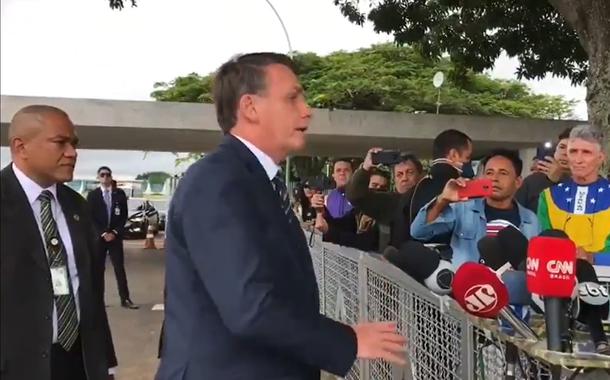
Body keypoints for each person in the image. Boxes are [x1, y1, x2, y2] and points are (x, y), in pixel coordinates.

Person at [156, 53, 406, 380]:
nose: (307, 109)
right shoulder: (218, 182)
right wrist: (347, 340)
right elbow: (250, 307)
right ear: (250, 107)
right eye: (292, 98)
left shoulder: (256, 180)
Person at [0, 105, 117, 380]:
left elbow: (91, 293)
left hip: (78, 362)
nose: (72, 152)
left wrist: (106, 363)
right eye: (60, 142)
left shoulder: (78, 207)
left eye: (74, 144)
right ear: (21, 146)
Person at [411, 149, 540, 269]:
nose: (494, 178)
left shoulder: (531, 221)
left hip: (512, 291)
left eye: (503, 173)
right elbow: (418, 231)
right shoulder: (463, 210)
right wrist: (443, 199)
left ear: (518, 182)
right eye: (489, 172)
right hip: (466, 289)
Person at [346, 130, 473, 249]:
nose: (404, 179)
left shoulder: (457, 189)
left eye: (409, 172)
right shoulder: (393, 202)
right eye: (399, 174)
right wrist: (366, 168)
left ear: (420, 175)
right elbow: (356, 197)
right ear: (394, 180)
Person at [538, 125, 610, 266]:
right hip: (558, 278)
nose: (578, 159)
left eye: (586, 152)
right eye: (573, 151)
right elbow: (542, 246)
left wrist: (593, 258)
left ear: (601, 157)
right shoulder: (548, 197)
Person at [87, 166, 138, 309]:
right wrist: (103, 233)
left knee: (119, 268)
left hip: (115, 237)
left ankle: (125, 299)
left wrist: (115, 232)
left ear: (111, 177)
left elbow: (123, 216)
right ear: (98, 177)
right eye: (102, 175)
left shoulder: (119, 194)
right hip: (99, 238)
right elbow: (90, 218)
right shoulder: (93, 195)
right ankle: (98, 301)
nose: (105, 177)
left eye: (107, 175)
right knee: (98, 269)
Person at [314, 170, 389, 251]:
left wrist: (329, 231)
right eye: (374, 185)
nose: (378, 190)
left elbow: (364, 242)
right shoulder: (359, 211)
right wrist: (321, 210)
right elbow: (342, 224)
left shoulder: (387, 216)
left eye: (383, 188)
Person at [516, 127, 572, 212]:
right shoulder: (532, 181)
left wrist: (560, 181)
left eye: (572, 150)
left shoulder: (592, 183)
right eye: (562, 147)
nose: (564, 153)